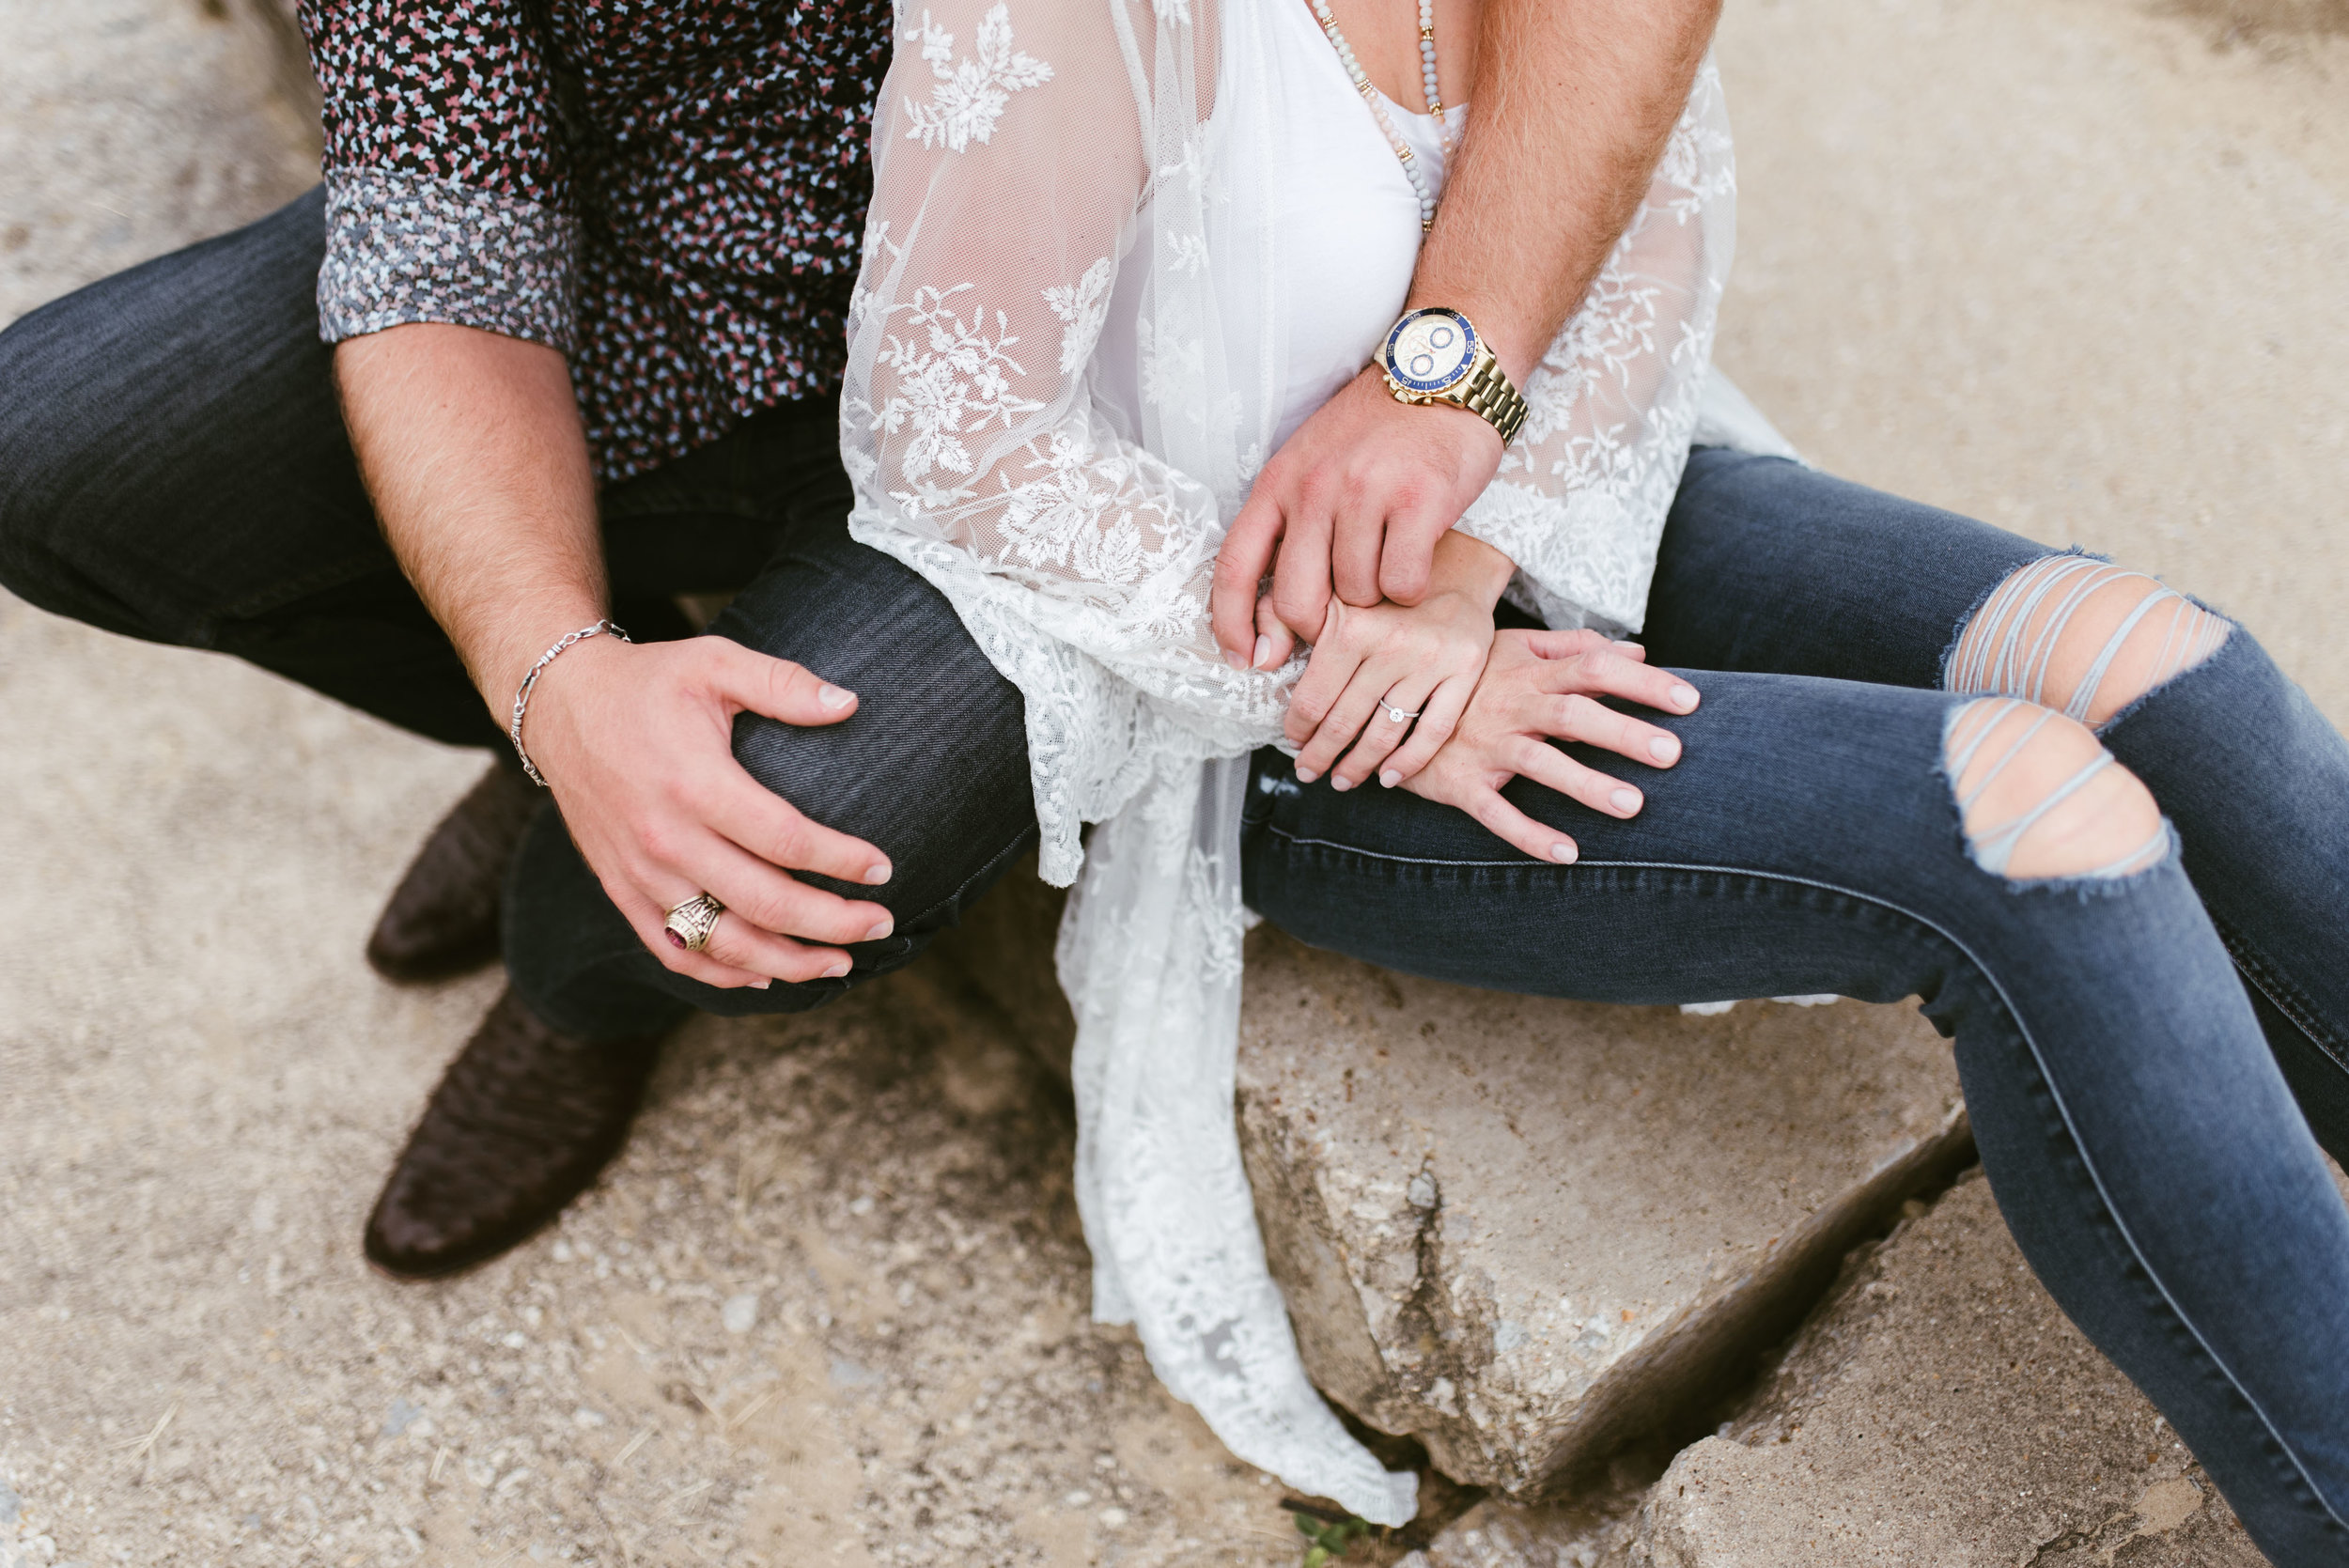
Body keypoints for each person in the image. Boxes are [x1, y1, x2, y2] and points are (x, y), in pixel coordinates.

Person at [832, 0, 2349, 1558]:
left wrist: (1475, 548)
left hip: (1574, 484)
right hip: (1262, 697)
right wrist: (1351, 661)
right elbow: (957, 440)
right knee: (2024, 821)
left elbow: (1646, 217)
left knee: (2158, 664)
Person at [0, 0, 1713, 1281]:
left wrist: (1453, 369)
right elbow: (446, 227)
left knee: (811, 834)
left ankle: (577, 967)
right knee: (57, 456)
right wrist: (559, 682)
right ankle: (562, 748)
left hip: (1075, 365)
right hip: (643, 286)